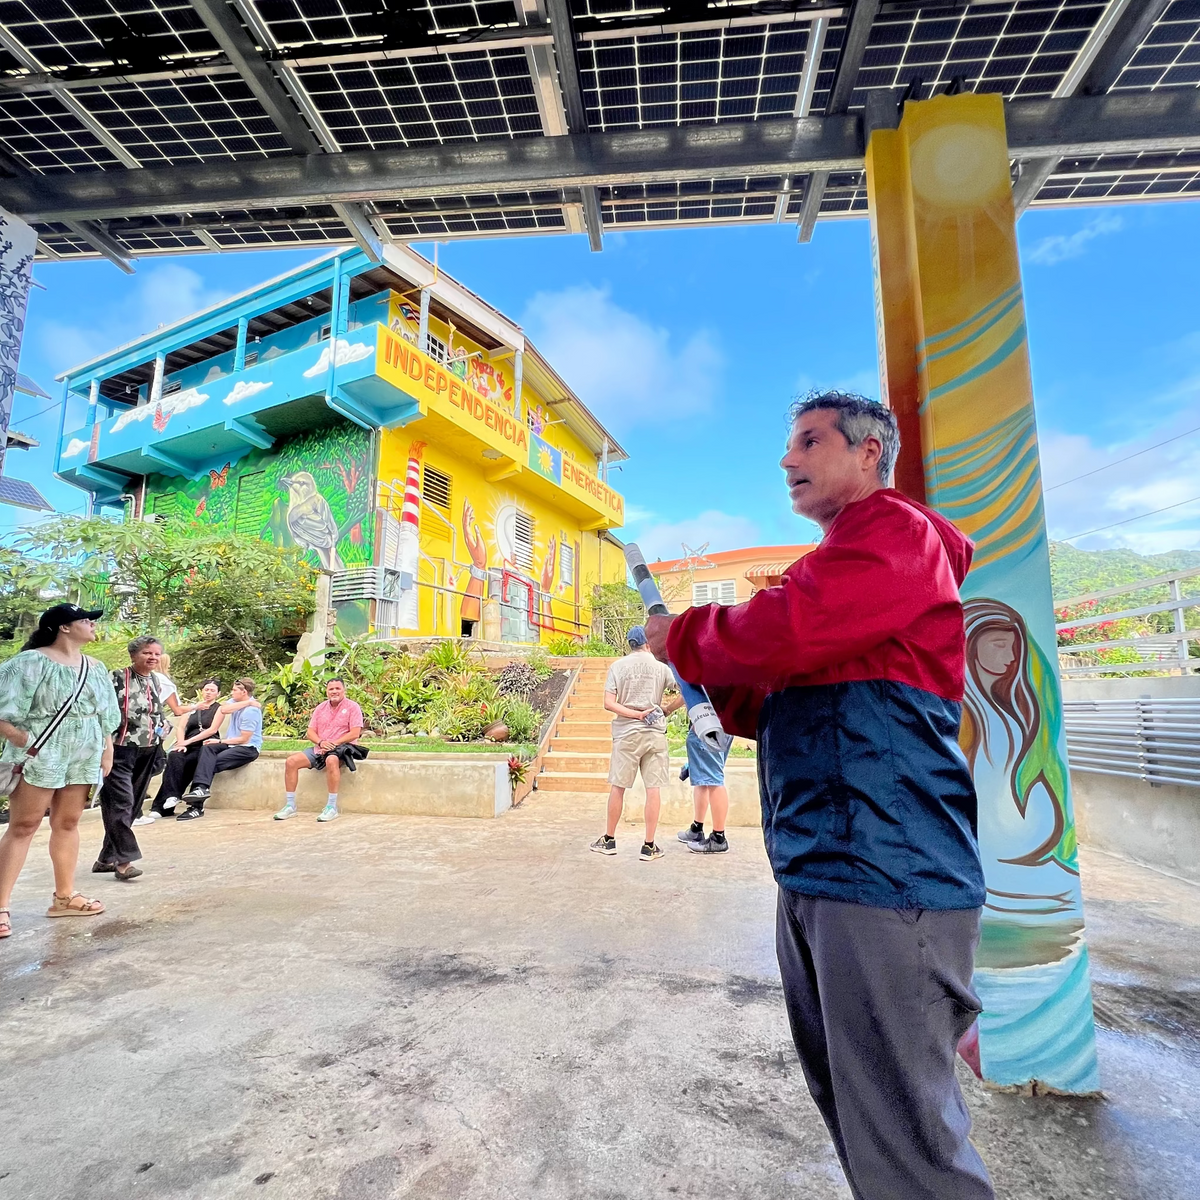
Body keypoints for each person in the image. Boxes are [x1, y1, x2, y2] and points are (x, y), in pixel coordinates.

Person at [646, 392, 994, 1200]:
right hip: (822, 872)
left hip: (887, 876)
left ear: (870, 452)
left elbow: (785, 630)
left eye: (808, 441)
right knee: (859, 1112)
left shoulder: (896, 535)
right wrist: (714, 684)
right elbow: (783, 693)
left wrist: (690, 635)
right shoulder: (840, 568)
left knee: (909, 1143)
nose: (787, 459)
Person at [0, 604, 120, 937]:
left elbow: (106, 715)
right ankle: (1, 905)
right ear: (64, 628)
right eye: (86, 621)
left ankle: (64, 897)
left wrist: (106, 750)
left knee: (68, 822)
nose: (92, 626)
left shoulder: (95, 667)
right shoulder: (29, 663)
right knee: (23, 825)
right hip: (41, 750)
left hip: (83, 751)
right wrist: (18, 736)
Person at [94, 636, 192, 879]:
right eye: (147, 653)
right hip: (119, 749)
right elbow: (102, 712)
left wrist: (163, 728)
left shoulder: (157, 681)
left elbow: (157, 712)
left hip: (148, 749)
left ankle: (105, 858)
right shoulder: (116, 677)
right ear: (133, 655)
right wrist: (104, 747)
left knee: (132, 804)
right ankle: (124, 862)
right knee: (122, 803)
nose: (153, 658)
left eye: (157, 654)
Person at [590, 625, 684, 862]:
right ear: (648, 645)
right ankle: (649, 845)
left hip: (626, 735)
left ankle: (609, 840)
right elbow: (685, 689)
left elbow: (608, 703)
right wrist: (668, 709)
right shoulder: (661, 668)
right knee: (653, 789)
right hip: (654, 733)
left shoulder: (618, 667)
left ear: (629, 645)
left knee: (618, 787)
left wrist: (634, 715)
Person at [274, 677, 364, 823]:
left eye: (337, 688)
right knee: (291, 762)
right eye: (331, 689)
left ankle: (331, 807)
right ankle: (290, 805)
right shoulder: (320, 708)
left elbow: (354, 733)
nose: (334, 691)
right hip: (320, 747)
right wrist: (321, 742)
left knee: (332, 759)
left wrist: (334, 743)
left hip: (342, 748)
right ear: (327, 691)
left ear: (343, 690)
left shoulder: (353, 707)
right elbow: (310, 732)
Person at [178, 678, 262, 818]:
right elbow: (223, 709)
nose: (231, 692)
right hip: (231, 744)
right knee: (207, 748)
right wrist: (247, 702)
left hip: (247, 748)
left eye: (234, 690)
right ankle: (200, 790)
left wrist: (220, 740)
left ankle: (197, 806)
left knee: (207, 763)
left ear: (244, 692)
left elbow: (244, 739)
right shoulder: (237, 703)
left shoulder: (251, 712)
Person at [149, 678, 223, 816]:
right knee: (175, 756)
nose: (208, 693)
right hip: (187, 744)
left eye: (212, 690)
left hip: (205, 745)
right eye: (206, 689)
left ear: (218, 693)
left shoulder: (218, 709)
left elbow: (212, 730)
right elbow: (181, 727)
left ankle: (161, 806)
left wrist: (186, 743)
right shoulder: (193, 708)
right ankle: (171, 797)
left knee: (190, 762)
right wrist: (181, 743)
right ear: (202, 691)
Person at [676, 727, 733, 853]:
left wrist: (668, 709)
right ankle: (697, 828)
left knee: (713, 779)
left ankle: (718, 838)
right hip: (716, 723)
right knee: (702, 777)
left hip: (707, 724)